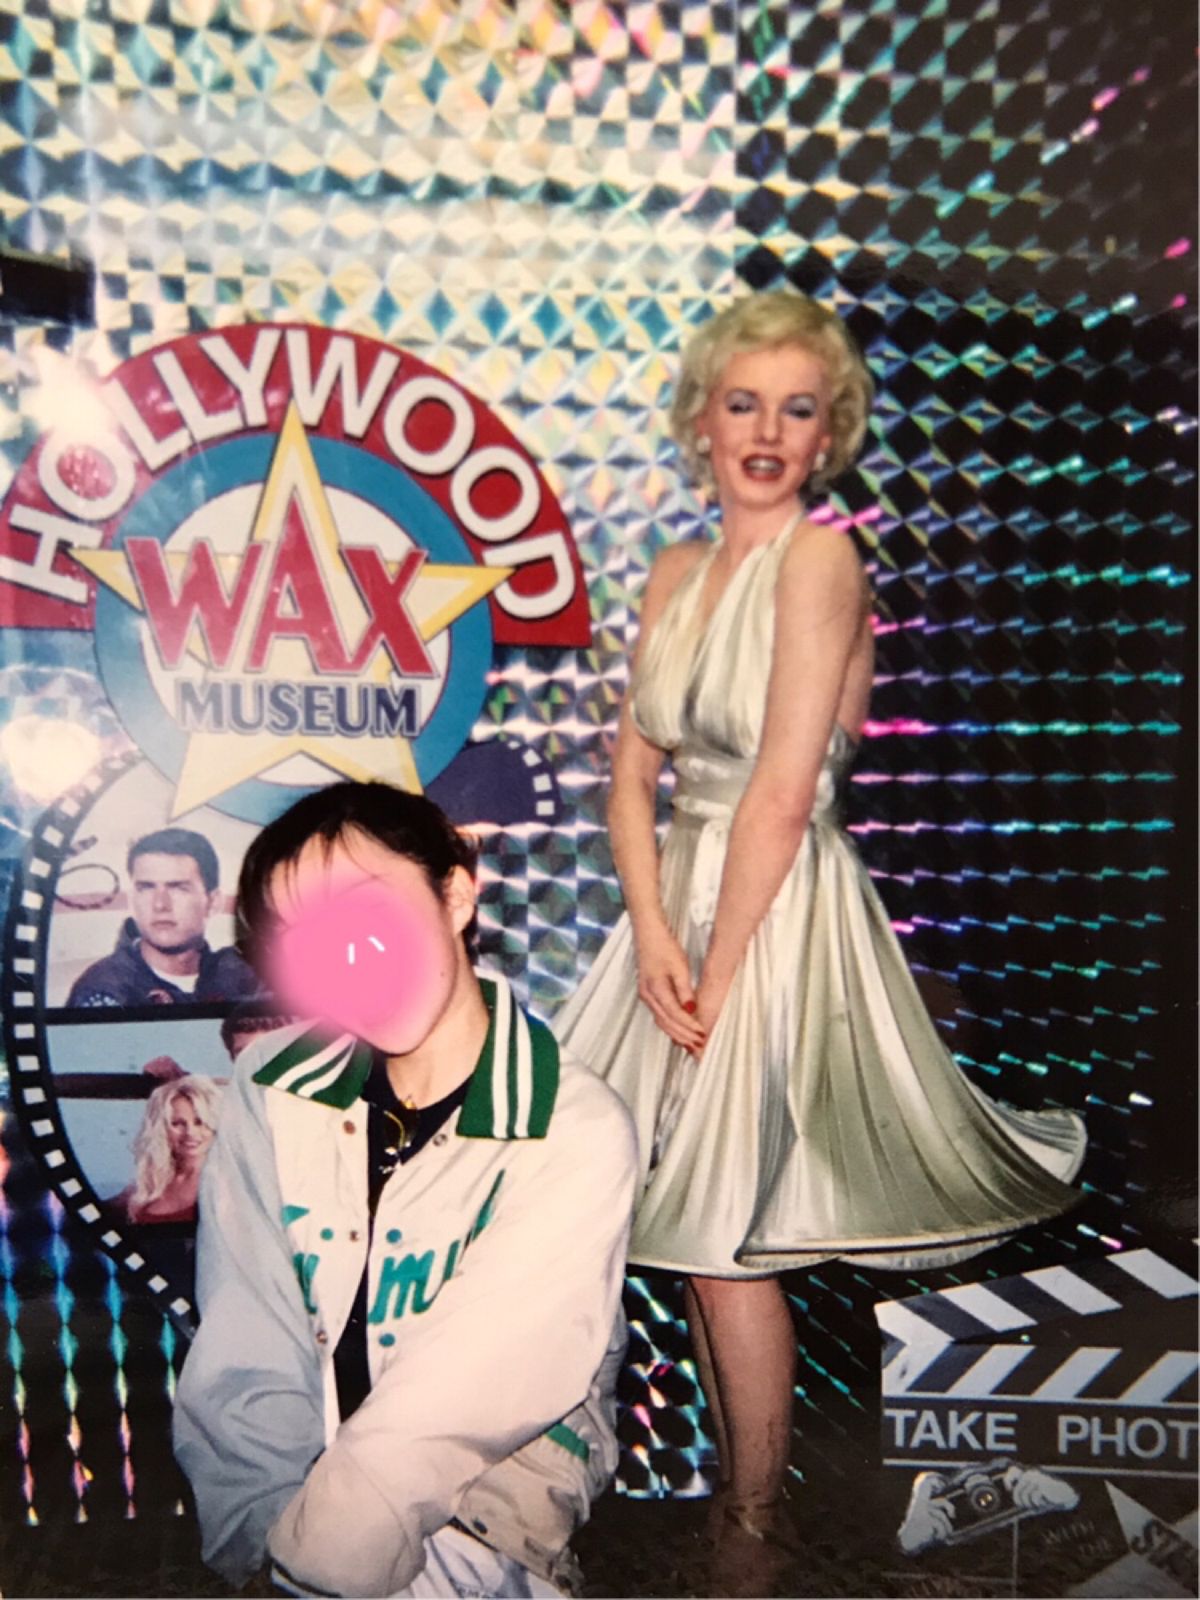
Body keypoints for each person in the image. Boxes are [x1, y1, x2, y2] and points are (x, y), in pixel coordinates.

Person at [552, 291, 1086, 1577]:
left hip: (777, 913)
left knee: (724, 1234)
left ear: (828, 432)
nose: (766, 431)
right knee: (683, 1226)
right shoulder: (675, 572)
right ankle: (721, 1501)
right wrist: (656, 933)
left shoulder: (822, 560)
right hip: (680, 907)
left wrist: (719, 971)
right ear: (701, 418)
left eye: (798, 409)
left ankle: (753, 1524)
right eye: (744, 402)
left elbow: (784, 792)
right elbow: (628, 778)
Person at [172, 782, 638, 1599]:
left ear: (455, 895)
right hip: (290, 1524)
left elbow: (458, 1403)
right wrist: (259, 1545)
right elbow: (247, 1348)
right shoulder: (271, 1088)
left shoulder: (573, 1125)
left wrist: (308, 1568)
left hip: (483, 1517)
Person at [66, 827, 262, 1007]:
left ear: (213, 902)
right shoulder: (104, 988)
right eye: (146, 888)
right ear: (132, 900)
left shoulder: (247, 980)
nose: (160, 904)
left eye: (178, 888)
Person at [115, 1075, 223, 1224]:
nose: (190, 1132)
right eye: (177, 1123)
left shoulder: (227, 1182)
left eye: (199, 1122)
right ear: (161, 1128)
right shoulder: (150, 1182)